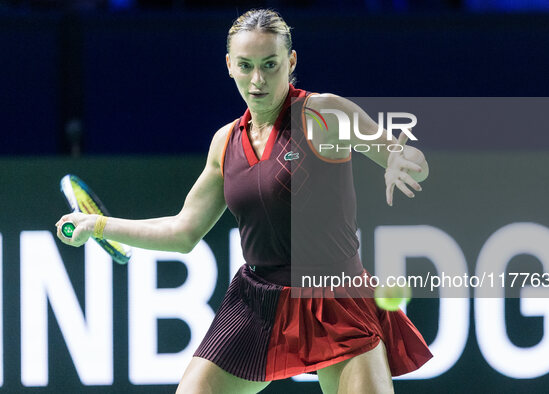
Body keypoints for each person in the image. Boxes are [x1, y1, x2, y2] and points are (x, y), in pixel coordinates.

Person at [56, 9, 432, 394]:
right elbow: (183, 231)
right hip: (258, 302)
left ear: (291, 61)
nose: (258, 79)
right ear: (229, 66)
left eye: (270, 64)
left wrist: (401, 162)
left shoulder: (324, 114)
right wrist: (98, 225)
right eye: (246, 65)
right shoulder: (225, 143)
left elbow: (408, 159)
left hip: (334, 295)